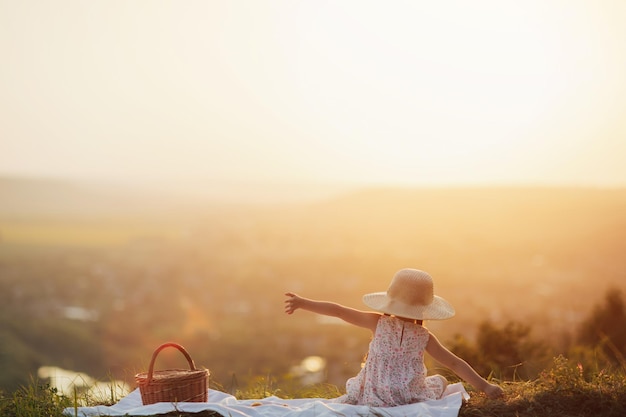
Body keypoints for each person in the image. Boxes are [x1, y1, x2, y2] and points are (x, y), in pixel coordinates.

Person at [284, 268, 504, 407]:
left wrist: (304, 303)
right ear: (424, 306)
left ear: (391, 298)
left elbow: (339, 311)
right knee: (442, 380)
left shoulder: (377, 322)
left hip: (372, 392)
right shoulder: (423, 336)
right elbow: (455, 362)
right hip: (408, 395)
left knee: (437, 380)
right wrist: (485, 387)